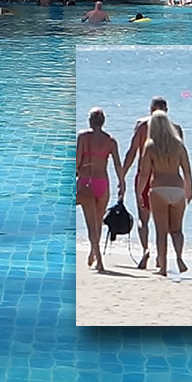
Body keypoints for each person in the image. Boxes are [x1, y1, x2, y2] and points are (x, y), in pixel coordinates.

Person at [120, 97, 183, 269]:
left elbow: (132, 152)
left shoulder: (142, 125)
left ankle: (145, 250)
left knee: (143, 218)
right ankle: (162, 258)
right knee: (166, 223)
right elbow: (180, 156)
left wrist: (122, 175)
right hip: (168, 177)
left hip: (145, 176)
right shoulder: (176, 128)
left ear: (151, 109)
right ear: (166, 110)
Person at [134, 110, 192, 277]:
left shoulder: (150, 146)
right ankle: (179, 258)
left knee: (161, 231)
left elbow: (144, 173)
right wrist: (189, 189)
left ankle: (163, 267)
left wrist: (139, 192)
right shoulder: (179, 144)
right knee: (177, 230)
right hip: (177, 189)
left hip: (159, 189)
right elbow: (187, 171)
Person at [77, 108, 125, 273]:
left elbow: (77, 159)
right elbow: (117, 164)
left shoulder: (83, 137)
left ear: (90, 121)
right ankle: (93, 252)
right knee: (97, 221)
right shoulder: (110, 140)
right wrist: (122, 182)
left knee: (91, 224)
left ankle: (99, 262)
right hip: (103, 183)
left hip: (86, 181)